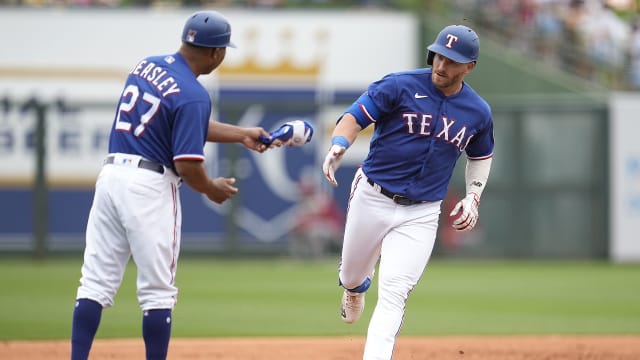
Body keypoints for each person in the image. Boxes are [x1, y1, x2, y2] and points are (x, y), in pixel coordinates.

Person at [70, 10, 275, 360]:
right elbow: (187, 163)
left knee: (94, 283)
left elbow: (181, 119)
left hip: (111, 177)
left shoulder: (145, 66)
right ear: (216, 53)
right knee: (157, 292)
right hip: (148, 187)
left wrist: (241, 134)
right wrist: (211, 188)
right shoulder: (194, 93)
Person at [322, 24, 494, 359]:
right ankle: (355, 287)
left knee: (395, 291)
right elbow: (353, 117)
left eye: (451, 60)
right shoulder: (399, 85)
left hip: (422, 211)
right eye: (439, 56)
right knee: (351, 274)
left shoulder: (477, 111)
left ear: (469, 66)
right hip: (372, 195)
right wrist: (340, 143)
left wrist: (473, 195)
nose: (441, 65)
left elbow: (481, 155)